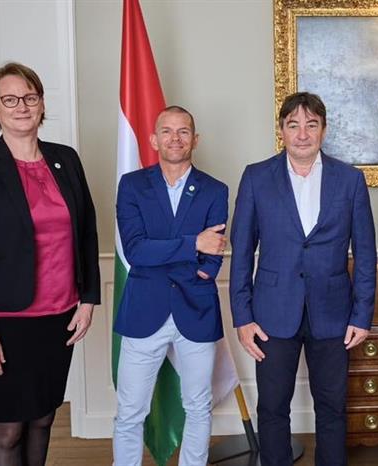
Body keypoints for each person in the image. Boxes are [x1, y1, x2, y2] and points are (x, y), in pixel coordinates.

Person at [0, 62, 100, 466]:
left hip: (60, 317)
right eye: (10, 99)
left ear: (42, 103)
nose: (21, 106)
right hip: (7, 321)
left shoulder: (66, 159)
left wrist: (88, 299)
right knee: (8, 428)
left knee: (43, 417)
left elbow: (87, 232)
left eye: (30, 97)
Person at [229, 92, 377, 466]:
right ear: (281, 130)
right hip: (272, 313)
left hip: (334, 314)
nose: (302, 134)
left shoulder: (350, 180)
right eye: (293, 125)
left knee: (332, 408)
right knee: (272, 408)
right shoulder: (256, 177)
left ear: (324, 130)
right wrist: (242, 317)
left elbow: (365, 253)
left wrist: (362, 315)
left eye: (311, 125)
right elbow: (241, 252)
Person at [113, 106, 228, 466]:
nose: (175, 139)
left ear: (195, 139)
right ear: (153, 139)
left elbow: (213, 255)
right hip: (144, 310)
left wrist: (195, 260)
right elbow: (136, 250)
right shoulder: (132, 186)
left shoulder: (215, 190)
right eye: (167, 131)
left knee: (198, 405)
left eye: (183, 131)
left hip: (196, 309)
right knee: (130, 410)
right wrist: (193, 243)